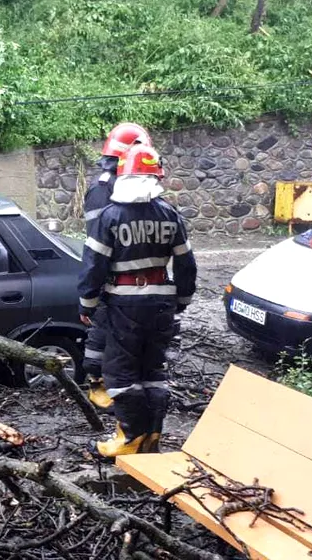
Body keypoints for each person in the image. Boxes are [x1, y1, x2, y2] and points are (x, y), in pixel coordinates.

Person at [78, 145, 196, 458]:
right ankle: (152, 434)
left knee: (119, 373)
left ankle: (128, 437)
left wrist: (87, 304)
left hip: (124, 304)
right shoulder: (170, 214)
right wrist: (181, 300)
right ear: (157, 177)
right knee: (153, 372)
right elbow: (187, 264)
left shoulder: (111, 216)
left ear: (124, 174)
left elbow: (94, 265)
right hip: (161, 303)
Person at [82, 122, 153, 409]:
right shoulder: (103, 189)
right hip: (111, 275)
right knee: (101, 330)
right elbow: (99, 243)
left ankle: (125, 381)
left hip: (136, 276)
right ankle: (95, 384)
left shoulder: (129, 185)